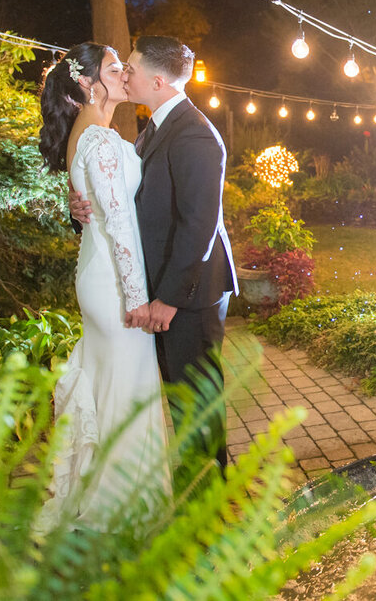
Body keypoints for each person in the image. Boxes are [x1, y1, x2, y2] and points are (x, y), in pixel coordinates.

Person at [72, 36, 236, 471]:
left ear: (158, 80)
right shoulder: (157, 128)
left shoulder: (197, 136)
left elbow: (198, 226)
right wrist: (83, 206)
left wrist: (169, 298)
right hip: (161, 285)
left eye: (131, 68)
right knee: (178, 399)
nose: (125, 74)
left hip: (191, 294)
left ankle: (208, 511)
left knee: (196, 402)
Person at [35, 43, 170, 533]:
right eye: (115, 68)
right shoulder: (98, 140)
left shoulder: (91, 136)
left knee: (115, 384)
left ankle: (110, 496)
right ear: (90, 84)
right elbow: (117, 225)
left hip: (98, 273)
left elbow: (101, 209)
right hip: (115, 283)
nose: (125, 72)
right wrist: (137, 299)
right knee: (127, 391)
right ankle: (118, 510)